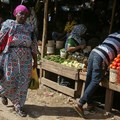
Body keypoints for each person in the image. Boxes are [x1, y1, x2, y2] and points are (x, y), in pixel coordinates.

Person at [0, 5, 38, 117]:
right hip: (10, 59)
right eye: (21, 13)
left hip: (26, 60)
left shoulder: (30, 28)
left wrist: (35, 61)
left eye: (25, 15)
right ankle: (3, 94)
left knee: (23, 83)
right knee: (8, 80)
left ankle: (18, 106)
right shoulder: (8, 25)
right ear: (15, 14)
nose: (23, 16)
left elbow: (34, 46)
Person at [75, 31, 120, 116]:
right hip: (101, 57)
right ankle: (80, 103)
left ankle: (89, 102)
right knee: (95, 80)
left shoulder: (113, 34)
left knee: (89, 77)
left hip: (94, 51)